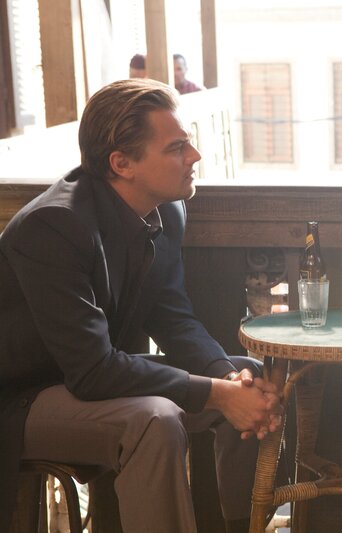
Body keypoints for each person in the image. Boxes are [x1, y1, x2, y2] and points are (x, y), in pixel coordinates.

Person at [0, 78, 281, 533]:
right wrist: (215, 393)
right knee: (154, 419)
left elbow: (173, 318)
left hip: (89, 379)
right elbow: (93, 372)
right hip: (20, 400)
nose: (194, 156)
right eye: (177, 148)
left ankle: (244, 527)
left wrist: (227, 379)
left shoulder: (165, 208)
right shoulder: (52, 226)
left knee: (250, 375)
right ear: (122, 163)